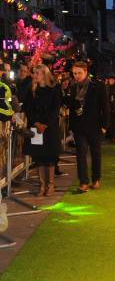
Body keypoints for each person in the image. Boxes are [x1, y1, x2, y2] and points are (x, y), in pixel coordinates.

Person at [68, 61, 109, 192]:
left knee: (96, 153)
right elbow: (72, 107)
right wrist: (72, 126)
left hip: (95, 126)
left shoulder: (98, 86)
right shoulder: (73, 87)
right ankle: (83, 182)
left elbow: (105, 107)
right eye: (74, 73)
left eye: (79, 73)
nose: (77, 76)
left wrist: (104, 125)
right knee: (80, 154)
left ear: (86, 72)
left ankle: (96, 179)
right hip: (79, 127)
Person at [22, 64, 62, 196]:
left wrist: (45, 124)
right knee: (39, 157)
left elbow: (56, 108)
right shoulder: (32, 89)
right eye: (33, 73)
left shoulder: (54, 88)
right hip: (36, 126)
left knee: (50, 157)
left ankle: (50, 185)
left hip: (49, 128)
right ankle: (42, 185)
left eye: (36, 73)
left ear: (44, 74)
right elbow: (28, 108)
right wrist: (36, 122)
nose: (34, 76)